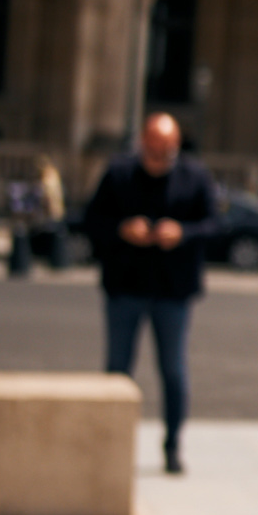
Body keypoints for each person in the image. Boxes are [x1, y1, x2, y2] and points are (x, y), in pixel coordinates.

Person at [84, 112, 220, 474]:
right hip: (125, 287)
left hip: (173, 291)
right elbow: (91, 221)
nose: (160, 154)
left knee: (173, 372)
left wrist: (183, 234)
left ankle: (173, 446)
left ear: (177, 146)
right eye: (154, 147)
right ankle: (110, 447)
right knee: (117, 371)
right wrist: (122, 229)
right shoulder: (119, 173)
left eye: (168, 148)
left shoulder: (195, 176)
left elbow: (215, 225)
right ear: (143, 142)